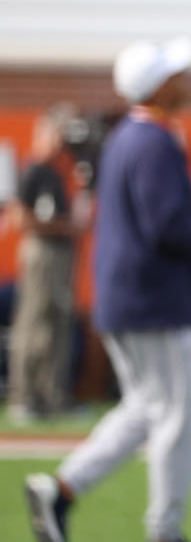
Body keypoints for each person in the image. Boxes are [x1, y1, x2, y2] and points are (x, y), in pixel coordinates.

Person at [24, 36, 191, 542]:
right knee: (181, 419)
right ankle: (164, 530)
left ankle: (60, 488)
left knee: (146, 411)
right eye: (175, 74)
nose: (184, 80)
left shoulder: (129, 136)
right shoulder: (153, 140)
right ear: (159, 86)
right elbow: (168, 228)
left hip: (132, 299)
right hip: (157, 303)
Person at [6, 103, 85, 424]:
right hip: (42, 252)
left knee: (58, 324)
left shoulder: (57, 171)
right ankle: (23, 397)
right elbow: (20, 218)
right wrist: (64, 226)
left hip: (60, 253)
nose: (61, 141)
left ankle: (52, 396)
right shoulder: (34, 168)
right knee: (33, 323)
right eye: (57, 133)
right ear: (44, 133)